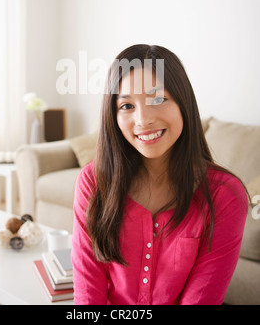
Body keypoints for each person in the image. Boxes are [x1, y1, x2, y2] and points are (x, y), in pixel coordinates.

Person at [71, 44, 248, 305]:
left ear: (183, 102)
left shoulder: (226, 195)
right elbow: (88, 294)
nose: (143, 120)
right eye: (127, 105)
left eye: (158, 99)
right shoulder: (93, 182)